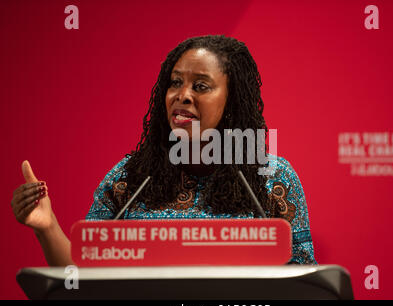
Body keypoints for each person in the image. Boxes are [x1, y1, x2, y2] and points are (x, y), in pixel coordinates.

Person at [11, 35, 316, 266]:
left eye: (201, 86)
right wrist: (47, 226)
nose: (182, 96)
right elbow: (82, 277)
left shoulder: (271, 178)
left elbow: (305, 284)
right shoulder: (131, 178)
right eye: (175, 83)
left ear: (232, 100)